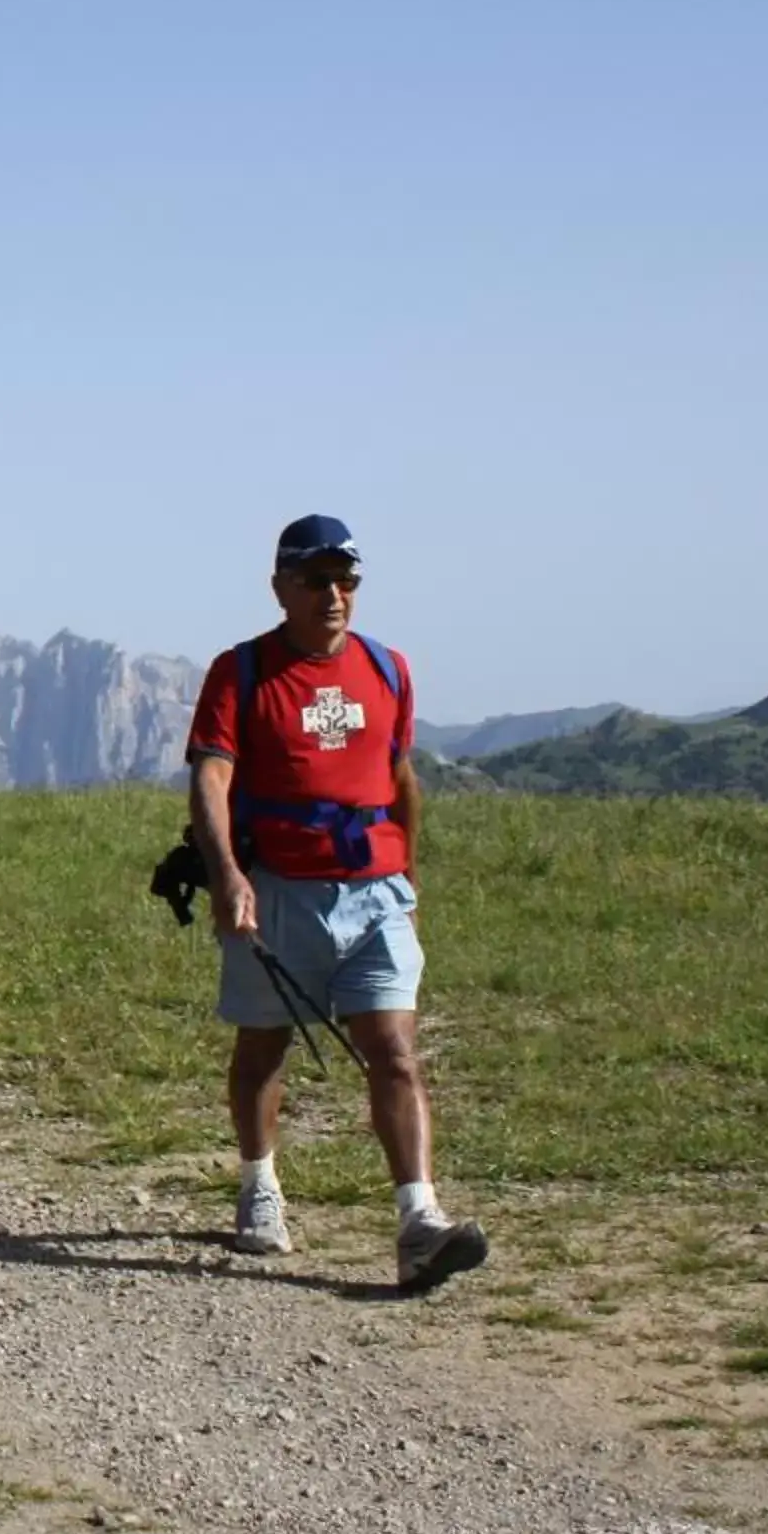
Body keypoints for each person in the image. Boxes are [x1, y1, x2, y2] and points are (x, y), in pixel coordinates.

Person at [188, 515, 487, 1295]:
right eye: (317, 580)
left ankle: (419, 1222)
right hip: (279, 889)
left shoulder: (387, 668)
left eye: (346, 580)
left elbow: (401, 778)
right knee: (264, 1048)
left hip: (377, 892)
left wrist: (409, 882)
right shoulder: (241, 671)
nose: (334, 595)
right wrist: (227, 875)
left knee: (392, 1049)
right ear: (281, 585)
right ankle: (260, 1184)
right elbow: (212, 779)